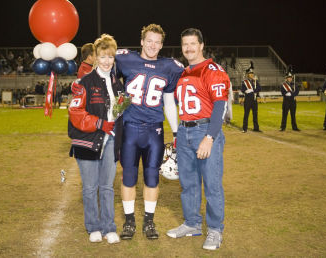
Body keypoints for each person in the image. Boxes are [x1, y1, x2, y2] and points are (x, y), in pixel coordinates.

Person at [115, 24, 183, 240]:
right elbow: (116, 87)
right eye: (149, 40)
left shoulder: (169, 66)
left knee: (152, 177)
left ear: (162, 45)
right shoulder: (126, 59)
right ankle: (129, 221)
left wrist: (176, 131)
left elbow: (169, 103)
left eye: (157, 42)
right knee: (129, 176)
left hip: (154, 130)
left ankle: (149, 221)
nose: (153, 45)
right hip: (130, 129)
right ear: (142, 41)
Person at [166, 28, 230, 251]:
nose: (189, 48)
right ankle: (192, 223)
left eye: (193, 44)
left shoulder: (213, 69)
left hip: (204, 130)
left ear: (202, 45)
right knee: (189, 183)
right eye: (185, 45)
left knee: (212, 184)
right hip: (184, 131)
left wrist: (210, 137)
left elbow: (220, 106)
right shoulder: (183, 72)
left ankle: (214, 230)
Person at [68, 34, 124, 244]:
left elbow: (118, 116)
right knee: (90, 187)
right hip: (88, 141)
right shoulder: (84, 82)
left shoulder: (118, 85)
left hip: (109, 142)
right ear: (96, 57)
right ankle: (93, 226)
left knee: (107, 187)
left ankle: (109, 227)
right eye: (103, 56)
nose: (107, 61)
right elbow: (75, 113)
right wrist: (99, 123)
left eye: (110, 56)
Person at [241, 61, 261, 132]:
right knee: (246, 114)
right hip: (248, 100)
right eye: (250, 73)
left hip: (254, 100)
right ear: (247, 74)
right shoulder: (244, 82)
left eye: (252, 73)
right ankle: (244, 128)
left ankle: (256, 128)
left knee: (255, 114)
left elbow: (259, 88)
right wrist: (251, 91)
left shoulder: (255, 81)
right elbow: (243, 90)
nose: (252, 75)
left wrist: (253, 90)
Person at [279, 65, 300, 131]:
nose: (290, 78)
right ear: (286, 78)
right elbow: (282, 92)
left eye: (291, 77)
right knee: (284, 115)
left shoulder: (295, 84)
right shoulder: (283, 85)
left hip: (293, 101)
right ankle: (283, 127)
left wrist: (291, 94)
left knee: (293, 115)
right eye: (289, 77)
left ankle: (294, 127)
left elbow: (297, 92)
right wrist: (286, 94)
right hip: (286, 101)